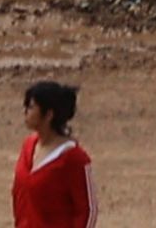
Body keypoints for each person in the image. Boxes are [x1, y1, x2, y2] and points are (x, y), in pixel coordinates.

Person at [11, 81, 94, 228]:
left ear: (48, 114)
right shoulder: (28, 147)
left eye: (31, 107)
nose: (25, 112)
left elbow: (87, 210)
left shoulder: (74, 158)